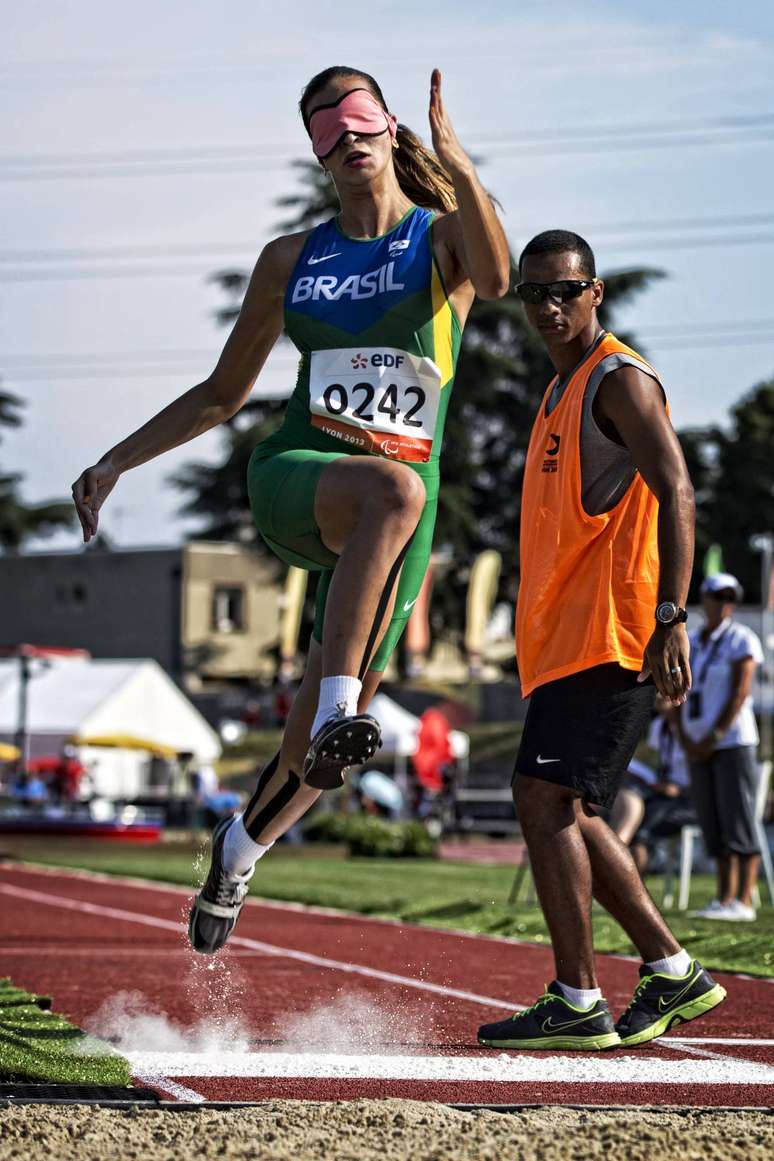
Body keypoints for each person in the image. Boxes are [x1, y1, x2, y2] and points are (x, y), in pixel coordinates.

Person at [72, 66, 510, 955]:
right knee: (392, 492)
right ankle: (340, 704)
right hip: (302, 474)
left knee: (315, 756)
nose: (344, 138)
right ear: (316, 152)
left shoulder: (443, 237)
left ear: (389, 127)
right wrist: (115, 460)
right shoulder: (291, 259)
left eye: (356, 119)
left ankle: (238, 850)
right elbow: (221, 393)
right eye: (324, 128)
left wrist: (461, 165)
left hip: (400, 508)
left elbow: (499, 280)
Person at [478, 230, 725, 1053]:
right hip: (566, 643)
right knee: (566, 806)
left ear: (597, 291)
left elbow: (678, 488)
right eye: (534, 293)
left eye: (565, 290)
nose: (548, 307)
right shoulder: (560, 389)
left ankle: (580, 995)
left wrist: (672, 614)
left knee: (543, 799)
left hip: (616, 635)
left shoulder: (617, 380)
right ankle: (668, 968)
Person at [679, 573, 764, 921]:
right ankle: (723, 897)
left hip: (731, 742)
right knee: (712, 819)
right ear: (705, 598)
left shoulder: (742, 638)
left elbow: (740, 692)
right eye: (717, 595)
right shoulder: (694, 640)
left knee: (738, 818)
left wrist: (714, 736)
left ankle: (744, 900)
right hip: (697, 743)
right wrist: (685, 736)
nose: (724, 602)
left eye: (730, 596)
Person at [611, 697, 696, 875]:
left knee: (641, 827)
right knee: (630, 798)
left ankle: (618, 870)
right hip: (665, 795)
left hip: (690, 800)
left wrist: (679, 790)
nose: (658, 696)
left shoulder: (693, 725)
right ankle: (617, 869)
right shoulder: (660, 727)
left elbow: (705, 774)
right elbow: (658, 763)